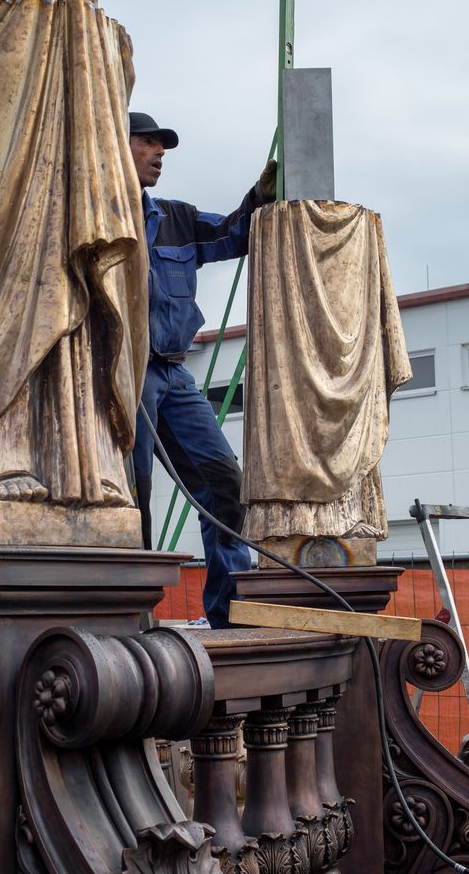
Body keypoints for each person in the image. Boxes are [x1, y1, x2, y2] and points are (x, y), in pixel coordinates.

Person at [129, 112, 277, 629]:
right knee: (132, 490)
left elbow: (235, 235)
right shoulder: (95, 217)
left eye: (162, 146)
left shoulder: (178, 217)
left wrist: (259, 197)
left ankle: (230, 612)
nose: (159, 153)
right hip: (126, 375)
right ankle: (131, 617)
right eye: (148, 143)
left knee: (225, 484)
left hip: (172, 372)